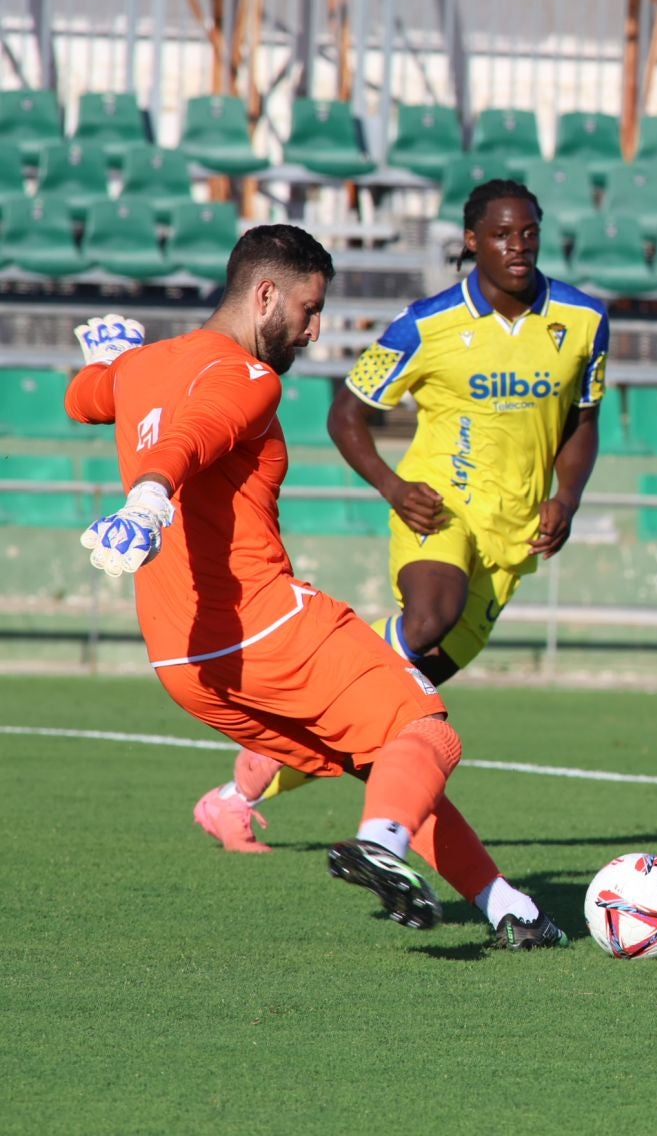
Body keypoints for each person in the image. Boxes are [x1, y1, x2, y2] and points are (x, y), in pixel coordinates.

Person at [67, 225, 567, 948]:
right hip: (264, 624)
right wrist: (149, 498)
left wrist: (107, 360)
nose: (313, 329)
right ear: (264, 295)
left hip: (183, 660)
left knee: (386, 760)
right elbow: (198, 432)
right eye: (308, 308)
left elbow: (86, 399)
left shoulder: (143, 368)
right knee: (426, 731)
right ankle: (381, 846)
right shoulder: (249, 378)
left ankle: (506, 908)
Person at [189, 179, 609, 855]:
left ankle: (240, 794)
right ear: (472, 242)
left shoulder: (584, 321)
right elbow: (345, 412)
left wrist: (568, 498)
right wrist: (392, 485)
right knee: (427, 619)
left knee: (396, 703)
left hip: (515, 536)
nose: (518, 246)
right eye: (501, 234)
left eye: (528, 232)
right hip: (436, 507)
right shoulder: (426, 324)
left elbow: (583, 423)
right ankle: (322, 674)